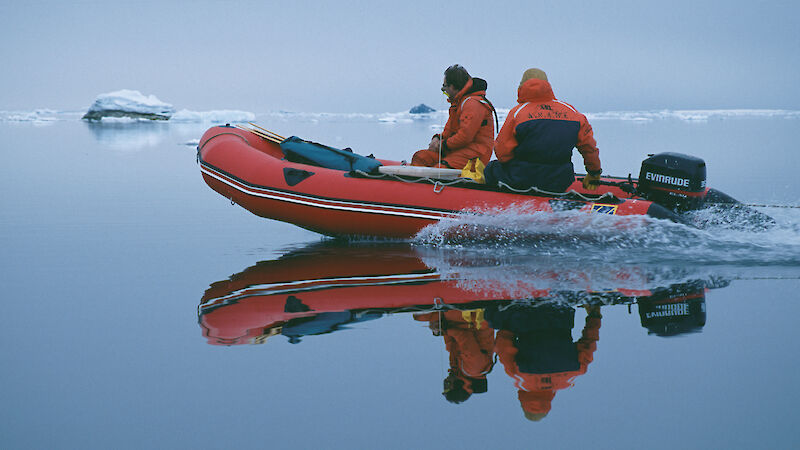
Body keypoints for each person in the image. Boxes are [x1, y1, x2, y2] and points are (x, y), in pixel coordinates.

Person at [484, 68, 602, 192]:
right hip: (560, 179)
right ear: (548, 86)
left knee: (491, 168)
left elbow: (502, 152)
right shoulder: (572, 112)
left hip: (522, 177)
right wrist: (594, 172)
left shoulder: (518, 112)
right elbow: (589, 148)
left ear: (521, 87)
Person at [486, 303, 601, 421]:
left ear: (550, 400)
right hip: (526, 313)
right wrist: (507, 322)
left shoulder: (573, 374)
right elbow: (503, 344)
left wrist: (594, 315)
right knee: (492, 318)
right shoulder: (518, 376)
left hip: (561, 312)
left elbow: (589, 343)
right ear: (523, 400)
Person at [411, 65, 497, 169]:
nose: (444, 90)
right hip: (457, 150)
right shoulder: (458, 104)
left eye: (445, 86)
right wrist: (438, 138)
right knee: (421, 157)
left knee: (440, 169)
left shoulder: (472, 104)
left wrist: (442, 145)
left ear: (452, 86)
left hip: (474, 154)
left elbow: (465, 136)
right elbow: (450, 130)